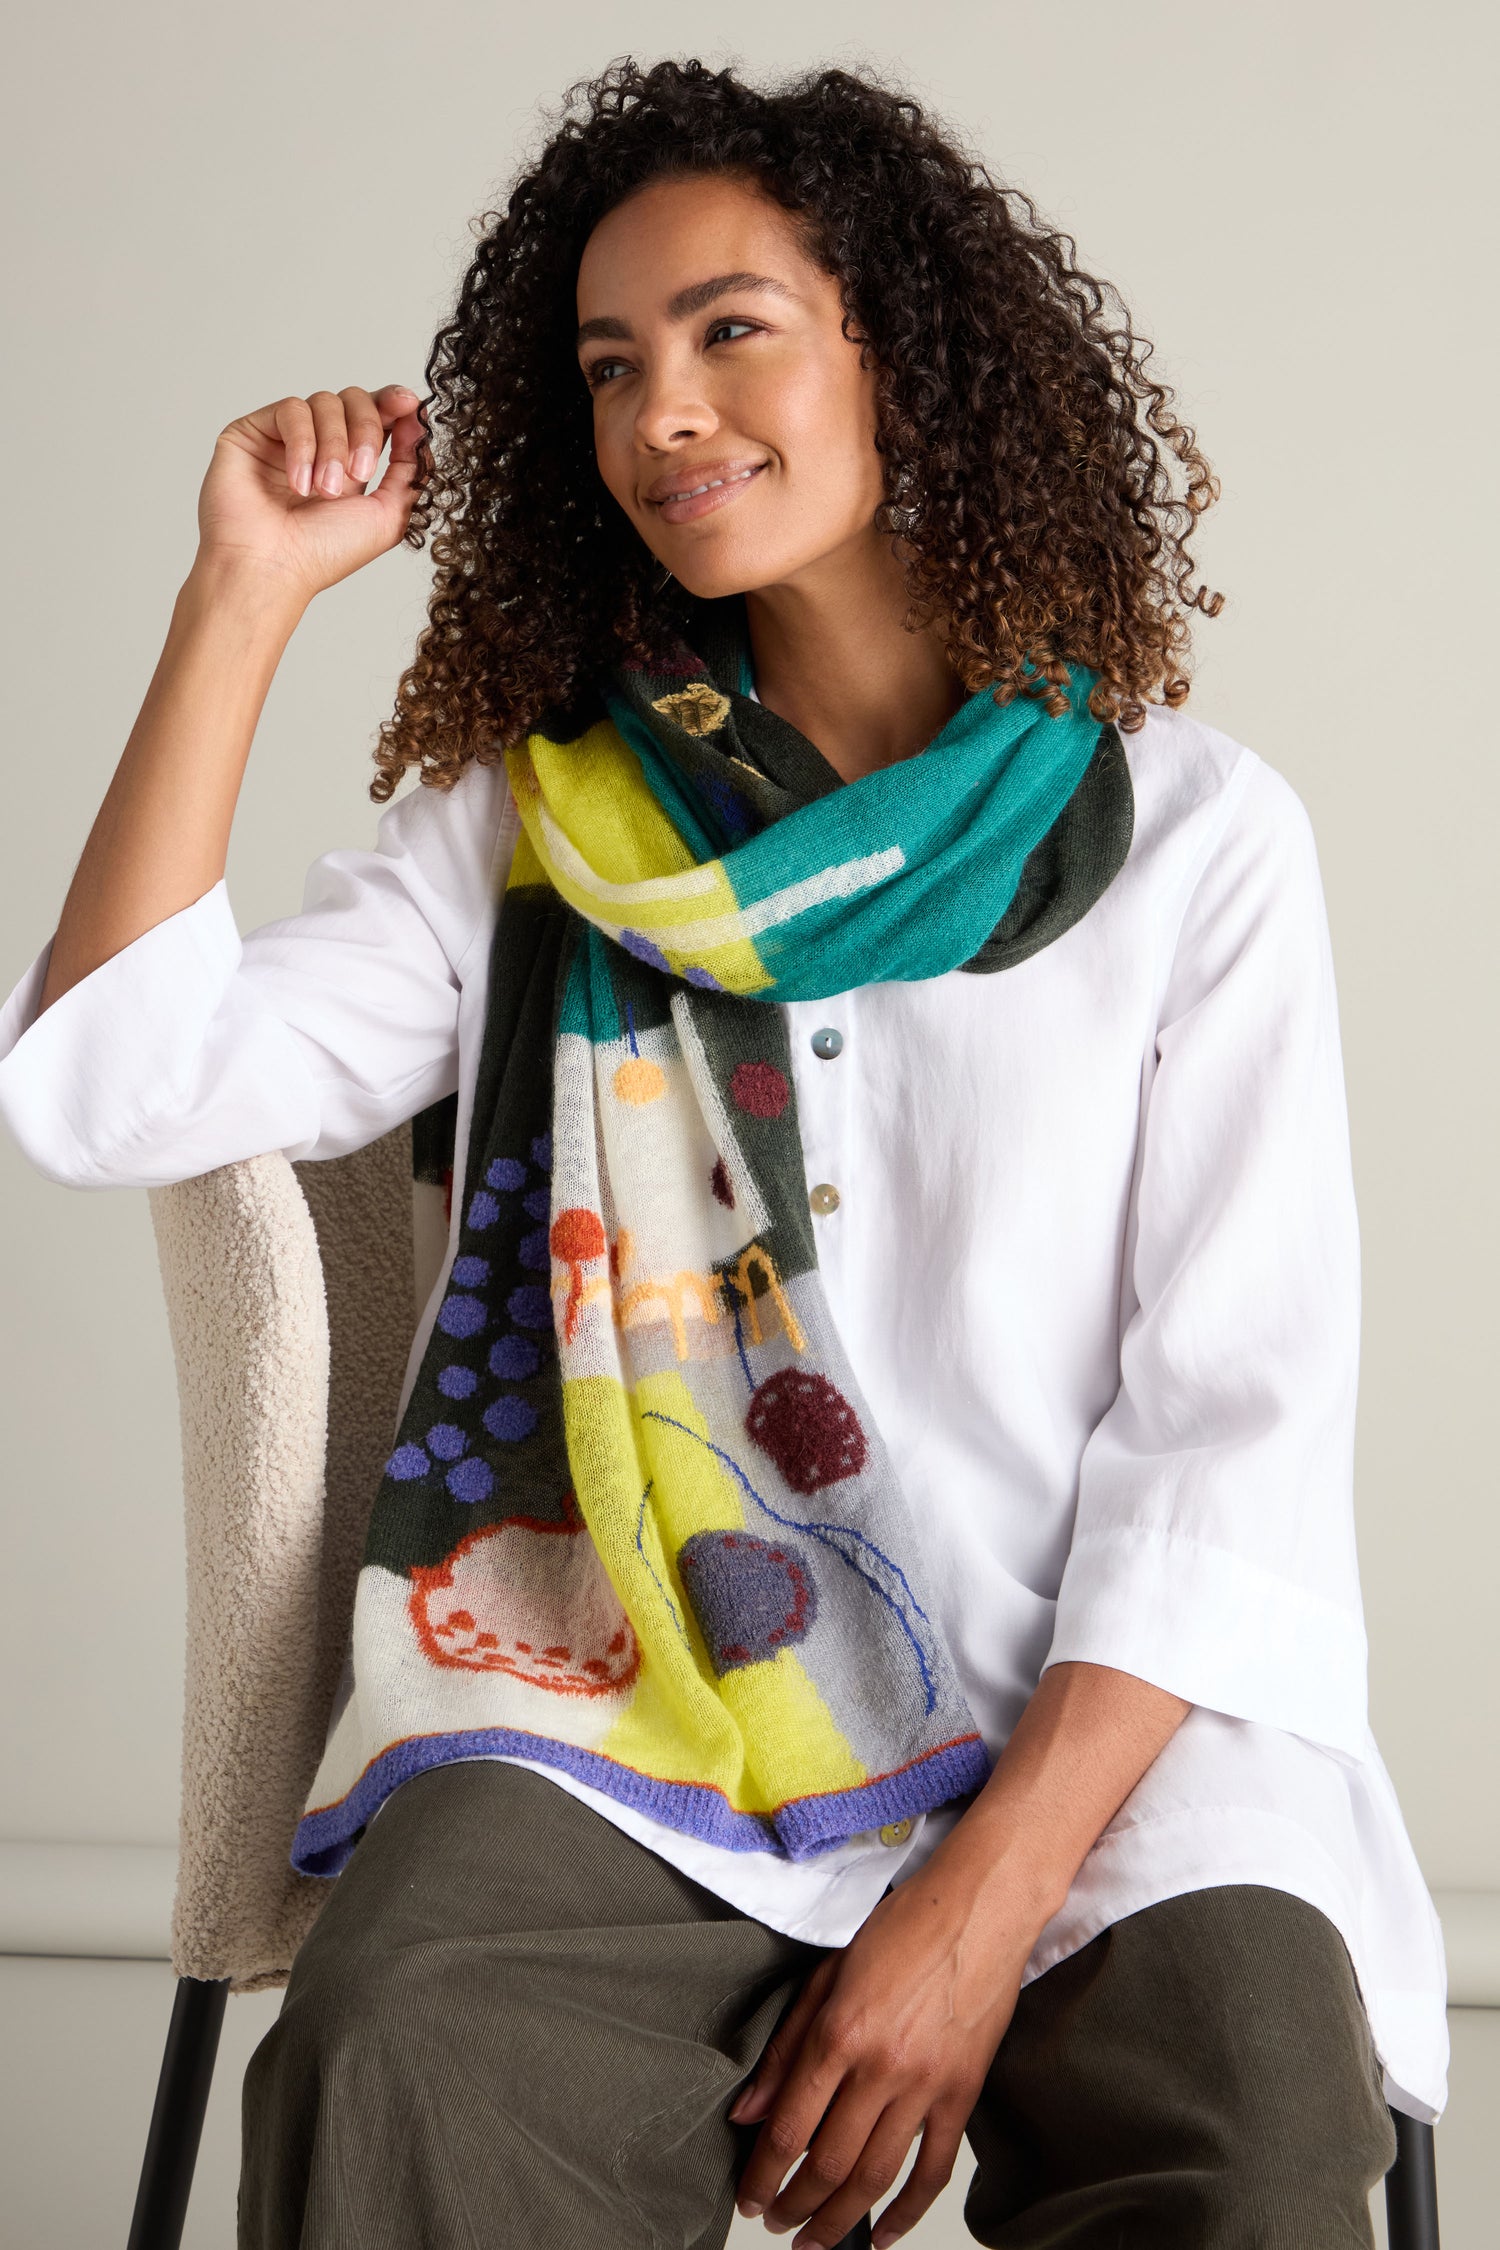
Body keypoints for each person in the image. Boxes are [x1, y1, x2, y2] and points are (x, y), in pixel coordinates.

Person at [0, 54, 1447, 2250]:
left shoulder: (1194, 838)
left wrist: (973, 1913)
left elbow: (1231, 1439)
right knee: (402, 2045)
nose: (662, 410)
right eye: (608, 368)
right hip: (651, 1697)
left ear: (907, 357)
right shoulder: (538, 825)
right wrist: (242, 597)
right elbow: (104, 1087)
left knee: (1244, 2114)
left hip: (1104, 1735)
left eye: (730, 329)